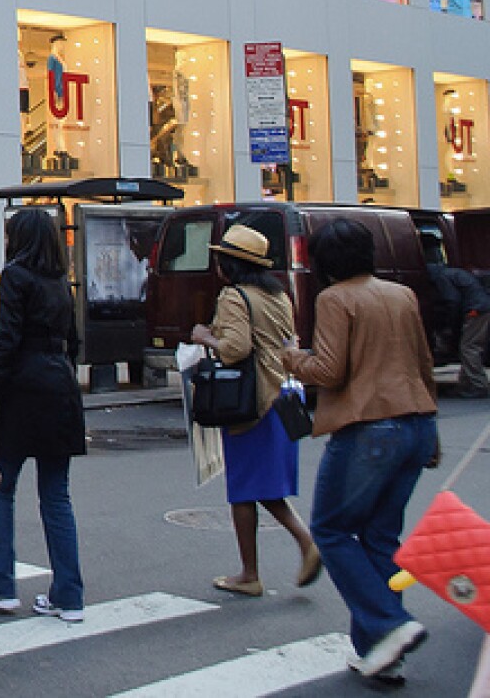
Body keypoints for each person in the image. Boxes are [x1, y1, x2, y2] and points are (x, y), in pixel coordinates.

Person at [283, 219, 439, 682]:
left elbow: (329, 372)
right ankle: (380, 653)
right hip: (417, 421)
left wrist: (290, 356)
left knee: (330, 531)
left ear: (323, 262)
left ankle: (389, 627)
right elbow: (423, 362)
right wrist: (430, 431)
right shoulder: (401, 295)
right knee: (380, 539)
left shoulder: (335, 299)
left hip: (369, 428)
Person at [0, 207, 87, 621]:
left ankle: (1, 582)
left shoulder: (16, 276)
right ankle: (68, 592)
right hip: (60, 387)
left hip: (24, 390)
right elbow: (74, 341)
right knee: (56, 495)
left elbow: (8, 338)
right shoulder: (59, 283)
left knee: (1, 484)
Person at [188, 224, 319, 598]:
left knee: (245, 488)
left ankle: (267, 564)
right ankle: (258, 567)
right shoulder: (278, 295)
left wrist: (203, 336)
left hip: (251, 402)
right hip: (282, 398)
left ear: (228, 264)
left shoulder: (234, 295)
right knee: (256, 487)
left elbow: (235, 348)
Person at [422, 231, 489, 399]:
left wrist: (449, 326)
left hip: (475, 310)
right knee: (468, 346)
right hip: (480, 307)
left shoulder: (441, 278)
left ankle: (478, 385)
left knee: (469, 348)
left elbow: (452, 301)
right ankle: (466, 383)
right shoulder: (452, 272)